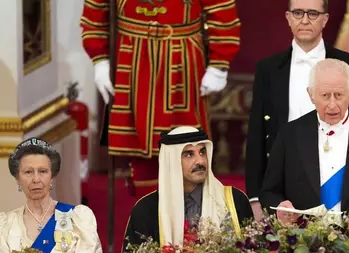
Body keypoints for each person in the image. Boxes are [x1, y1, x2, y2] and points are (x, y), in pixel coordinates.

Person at [80, 0, 241, 194]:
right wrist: (100, 59)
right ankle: (145, 216)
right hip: (132, 59)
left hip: (182, 59)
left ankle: (188, 219)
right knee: (138, 150)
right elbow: (95, 10)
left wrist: (218, 65)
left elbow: (221, 10)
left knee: (187, 145)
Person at [245, 0, 349, 220]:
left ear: (325, 19)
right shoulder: (268, 69)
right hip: (283, 182)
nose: (304, 20)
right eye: (298, 13)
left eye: (313, 13)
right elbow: (257, 133)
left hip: (338, 180)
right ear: (288, 17)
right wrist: (256, 197)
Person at [260, 59, 349, 245]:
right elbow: (270, 192)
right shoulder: (290, 135)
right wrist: (280, 208)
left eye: (338, 95)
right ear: (311, 95)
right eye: (325, 95)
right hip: (303, 245)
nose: (332, 104)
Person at [119, 126, 253, 253]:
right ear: (171, 160)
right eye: (189, 154)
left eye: (202, 152)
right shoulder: (146, 210)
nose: (200, 161)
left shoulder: (234, 201)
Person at [0, 138, 106, 253]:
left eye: (42, 171)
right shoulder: (3, 227)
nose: (36, 179)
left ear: (52, 176)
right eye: (28, 172)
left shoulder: (77, 219)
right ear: (17, 179)